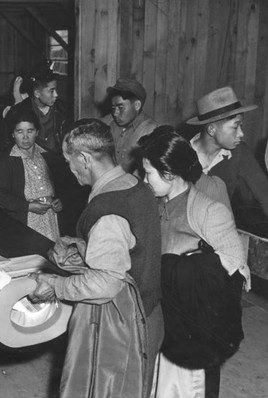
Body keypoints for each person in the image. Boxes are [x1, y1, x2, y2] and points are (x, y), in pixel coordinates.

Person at [30, 119, 163, 397]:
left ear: (84, 158)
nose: (69, 168)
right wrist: (84, 247)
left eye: (69, 161)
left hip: (124, 329)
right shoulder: (134, 186)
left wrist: (55, 285)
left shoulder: (107, 210)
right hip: (150, 314)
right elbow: (132, 247)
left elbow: (105, 284)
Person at [138, 130, 250, 398]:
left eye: (148, 173)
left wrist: (184, 267)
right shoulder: (153, 205)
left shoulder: (209, 211)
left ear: (169, 173)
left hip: (193, 325)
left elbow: (237, 269)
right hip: (160, 319)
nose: (144, 180)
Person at [187, 86, 268, 238]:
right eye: (235, 127)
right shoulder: (178, 153)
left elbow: (265, 194)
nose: (241, 134)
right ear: (211, 129)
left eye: (241, 126)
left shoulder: (239, 153)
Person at [0, 109, 63, 241]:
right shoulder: (6, 160)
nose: (25, 137)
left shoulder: (48, 156)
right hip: (24, 220)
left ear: (37, 132)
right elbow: (0, 194)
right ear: (13, 134)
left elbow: (62, 185)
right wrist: (28, 206)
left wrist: (60, 200)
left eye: (30, 131)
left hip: (50, 219)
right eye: (20, 131)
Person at [5, 61, 68, 154]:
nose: (56, 95)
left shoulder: (63, 110)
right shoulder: (17, 112)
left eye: (56, 90)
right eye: (51, 91)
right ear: (37, 93)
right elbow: (6, 144)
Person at [104, 78, 158, 174]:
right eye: (113, 108)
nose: (115, 113)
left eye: (120, 108)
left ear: (137, 105)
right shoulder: (109, 122)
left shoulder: (150, 131)